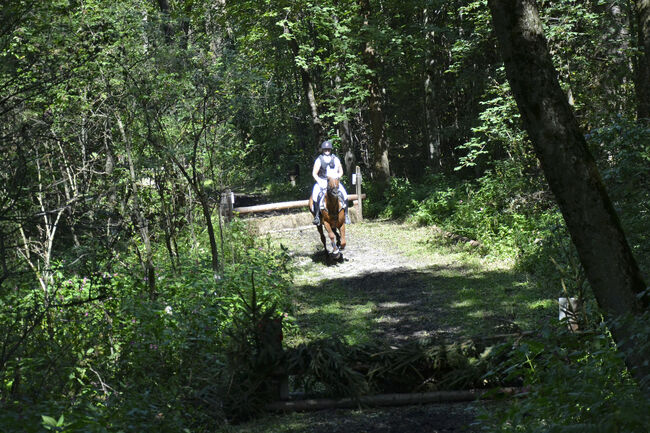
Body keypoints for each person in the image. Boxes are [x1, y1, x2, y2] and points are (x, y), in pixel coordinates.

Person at [311, 140, 350, 225]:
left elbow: (341, 171)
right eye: (325, 149)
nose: (327, 151)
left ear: (330, 149)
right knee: (315, 194)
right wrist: (319, 181)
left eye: (328, 149)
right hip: (322, 180)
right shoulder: (319, 160)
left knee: (344, 193)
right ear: (323, 150)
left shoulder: (335, 159)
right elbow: (314, 173)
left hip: (334, 181)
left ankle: (346, 215)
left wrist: (337, 177)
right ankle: (317, 216)